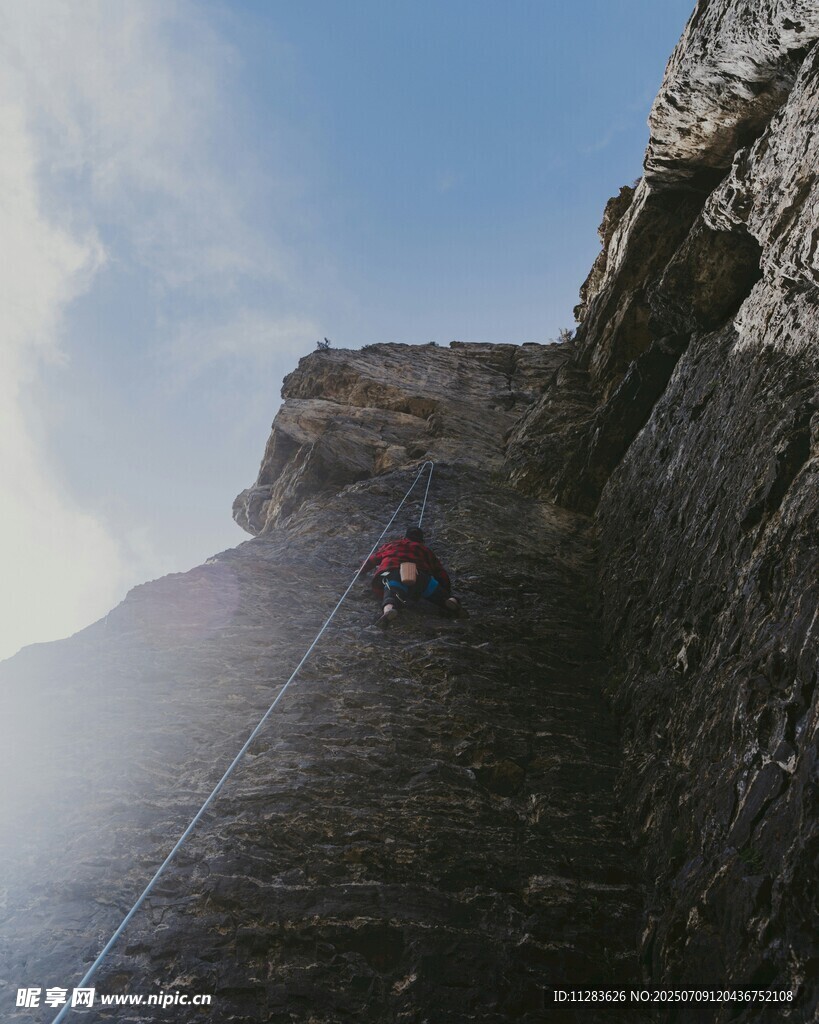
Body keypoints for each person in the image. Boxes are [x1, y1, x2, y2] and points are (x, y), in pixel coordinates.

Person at [360, 526, 464, 626]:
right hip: (419, 575)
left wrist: (361, 571)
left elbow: (372, 560)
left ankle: (389, 608)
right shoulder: (425, 549)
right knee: (431, 587)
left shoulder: (391, 545)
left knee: (390, 589)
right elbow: (440, 572)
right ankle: (448, 599)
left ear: (404, 537)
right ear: (421, 540)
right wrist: (446, 589)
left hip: (392, 572)